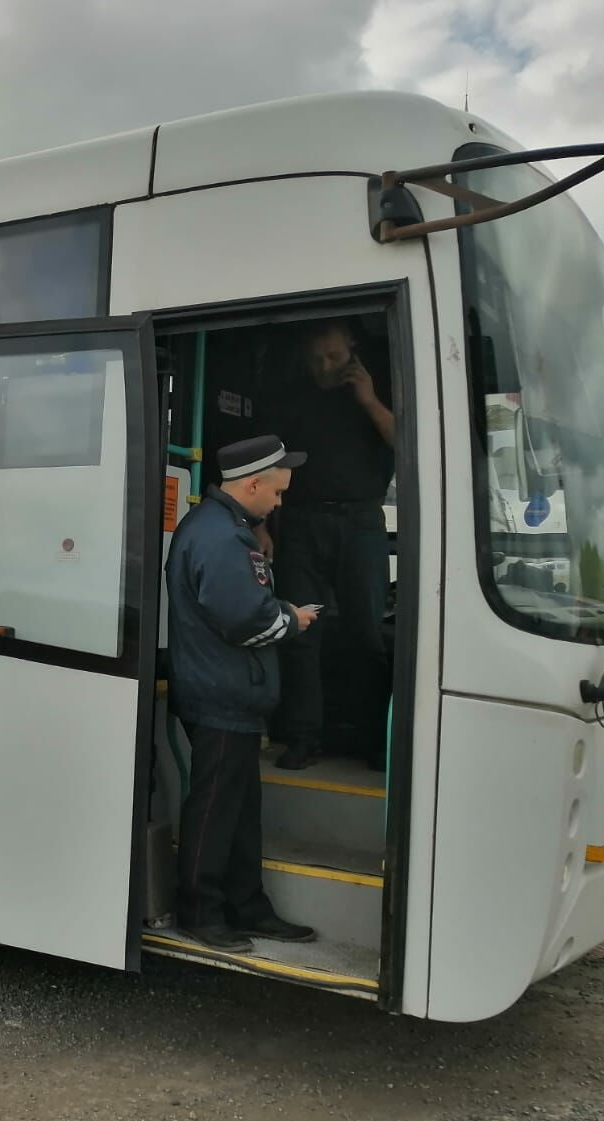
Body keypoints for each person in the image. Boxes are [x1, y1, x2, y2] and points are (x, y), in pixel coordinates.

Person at [166, 434, 319, 952]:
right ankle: (201, 911)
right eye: (276, 493)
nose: (278, 504)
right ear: (252, 484)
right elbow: (243, 620)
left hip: (229, 691)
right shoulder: (220, 537)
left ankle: (247, 906)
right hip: (221, 692)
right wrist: (292, 620)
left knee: (239, 809)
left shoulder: (226, 528)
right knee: (214, 809)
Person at [268, 320, 395, 771]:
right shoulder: (292, 400)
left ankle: (375, 740)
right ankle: (303, 737)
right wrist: (263, 522)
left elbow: (409, 445)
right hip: (300, 521)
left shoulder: (378, 392)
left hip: (361, 520)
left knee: (366, 633)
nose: (325, 366)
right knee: (300, 633)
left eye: (334, 357)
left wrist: (368, 399)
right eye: (317, 359)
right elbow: (270, 464)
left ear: (353, 352)